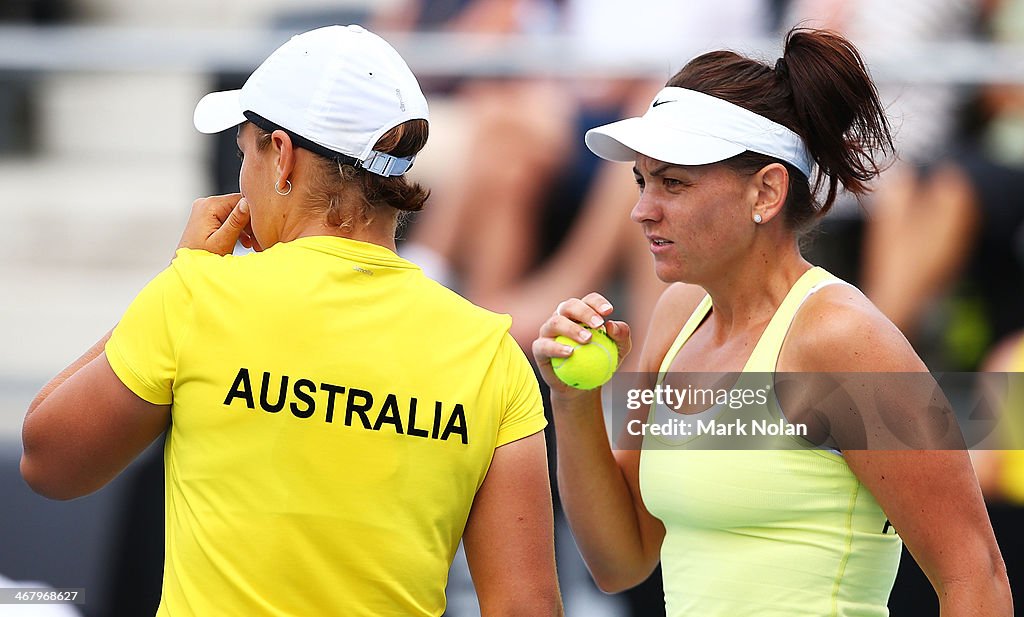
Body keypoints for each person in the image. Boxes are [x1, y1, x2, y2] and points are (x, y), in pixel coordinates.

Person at [20, 25, 561, 617]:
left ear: (281, 157)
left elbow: (49, 463)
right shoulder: (488, 350)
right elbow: (524, 608)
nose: (242, 179)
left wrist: (179, 276)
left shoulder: (199, 294)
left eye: (245, 153)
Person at [531, 27, 1013, 616]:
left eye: (674, 183)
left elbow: (976, 576)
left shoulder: (843, 339)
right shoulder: (675, 316)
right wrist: (572, 400)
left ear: (766, 191)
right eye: (642, 180)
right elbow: (621, 561)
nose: (641, 209)